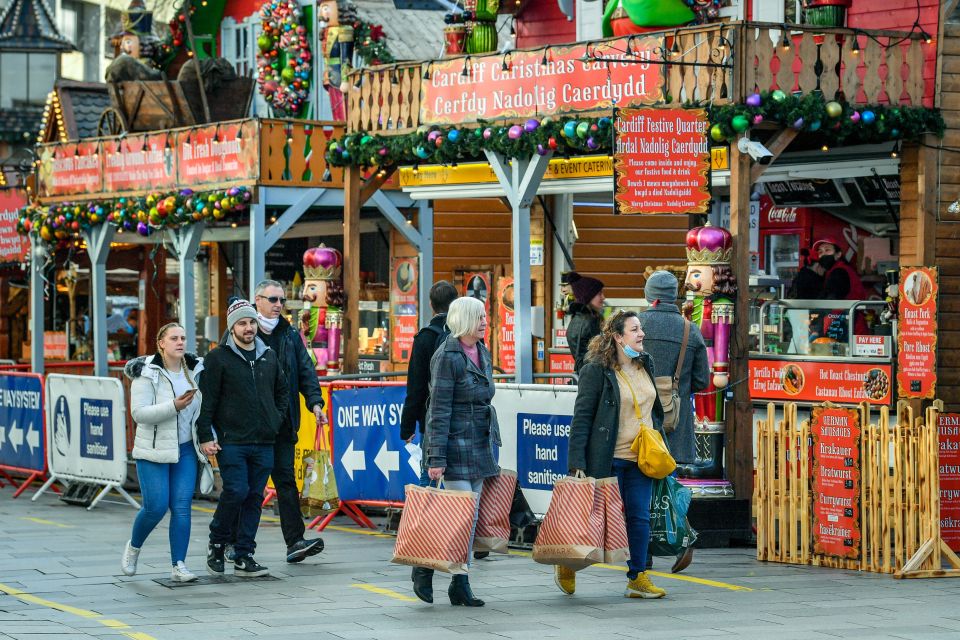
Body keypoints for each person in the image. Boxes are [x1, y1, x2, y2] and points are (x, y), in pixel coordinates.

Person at [563, 310, 667, 599]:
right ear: (618, 337)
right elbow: (581, 418)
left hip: (640, 458)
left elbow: (654, 411)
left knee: (639, 517)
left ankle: (638, 576)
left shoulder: (646, 363)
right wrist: (577, 463)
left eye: (640, 329)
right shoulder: (596, 370)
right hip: (607, 458)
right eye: (635, 330)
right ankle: (567, 562)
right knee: (592, 520)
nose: (641, 334)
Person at [416, 296, 500, 607]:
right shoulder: (447, 356)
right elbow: (437, 410)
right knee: (461, 518)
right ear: (463, 320)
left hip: (479, 443)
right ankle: (427, 567)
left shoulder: (482, 350)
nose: (484, 322)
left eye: (484, 316)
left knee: (470, 518)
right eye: (478, 317)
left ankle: (458, 582)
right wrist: (436, 458)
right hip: (454, 445)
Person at [198, 299, 289, 578]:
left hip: (263, 440)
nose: (248, 328)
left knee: (253, 497)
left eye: (251, 322)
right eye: (242, 323)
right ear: (232, 327)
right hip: (232, 440)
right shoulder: (217, 358)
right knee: (236, 490)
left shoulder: (268, 356)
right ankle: (217, 541)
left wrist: (274, 419)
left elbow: (282, 392)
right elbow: (207, 401)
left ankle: (244, 553)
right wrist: (205, 435)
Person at [246, 281, 327, 564]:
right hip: (250, 427)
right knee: (247, 488)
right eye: (273, 299)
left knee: (286, 482)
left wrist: (315, 403)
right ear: (258, 300)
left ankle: (295, 542)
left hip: (282, 423)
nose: (279, 304)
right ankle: (234, 544)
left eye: (282, 299)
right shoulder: (243, 332)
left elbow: (306, 371)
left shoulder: (290, 334)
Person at [121, 322, 205, 582]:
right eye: (174, 338)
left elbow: (202, 411)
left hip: (185, 450)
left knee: (181, 507)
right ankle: (134, 547)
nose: (180, 342)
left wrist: (206, 438)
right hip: (153, 450)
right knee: (155, 507)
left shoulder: (195, 370)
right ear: (161, 343)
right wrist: (174, 406)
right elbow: (139, 414)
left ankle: (178, 564)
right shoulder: (146, 373)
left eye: (183, 337)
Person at [638, 271, 709, 574]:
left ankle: (646, 553)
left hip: (640, 420)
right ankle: (680, 539)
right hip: (674, 423)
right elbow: (703, 380)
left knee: (641, 487)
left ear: (650, 293)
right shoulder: (689, 331)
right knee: (668, 484)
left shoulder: (634, 325)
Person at [399, 281, 459, 466]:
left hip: (431, 417)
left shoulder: (424, 338)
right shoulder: (463, 335)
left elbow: (415, 386)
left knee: (429, 476)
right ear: (455, 302)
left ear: (431, 305)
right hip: (461, 419)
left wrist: (407, 426)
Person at [566, 274, 605, 374]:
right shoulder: (591, 321)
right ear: (588, 297)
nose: (603, 297)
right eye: (599, 294)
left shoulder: (576, 319)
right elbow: (600, 353)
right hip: (594, 376)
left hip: (585, 375)